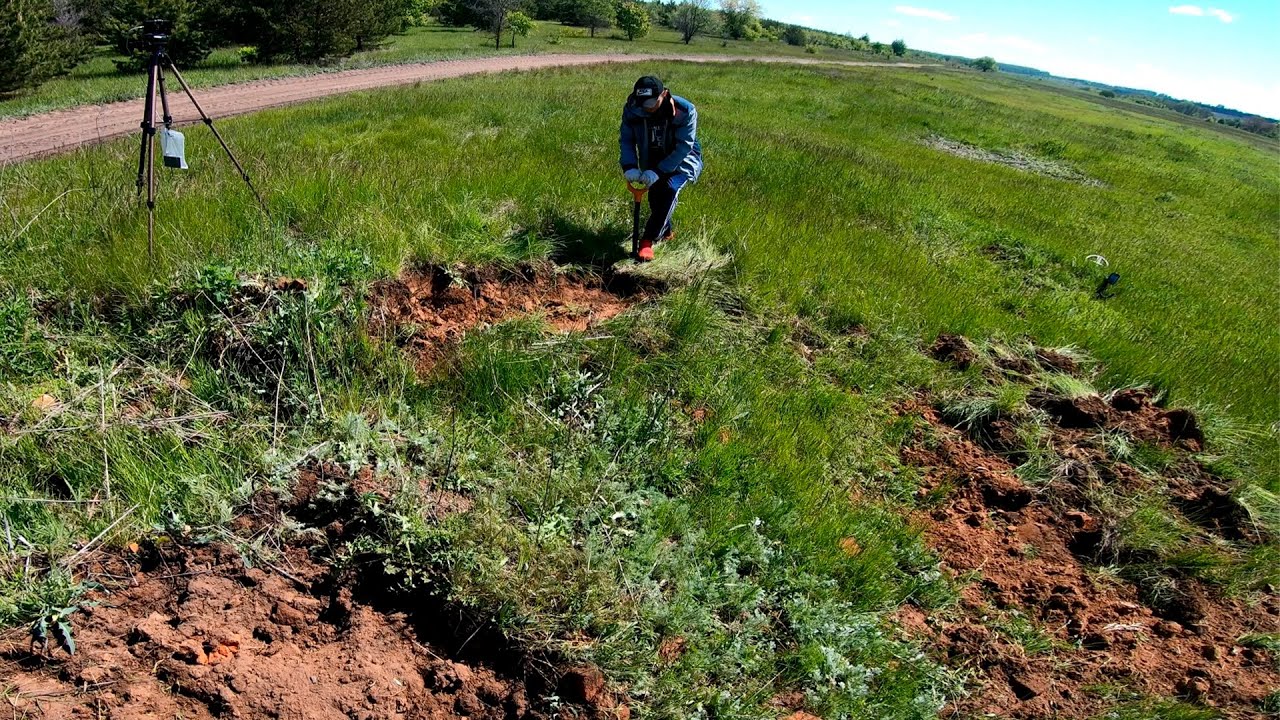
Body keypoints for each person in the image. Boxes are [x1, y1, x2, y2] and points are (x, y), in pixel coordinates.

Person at [619, 76, 703, 262]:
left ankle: (647, 241)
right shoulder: (632, 109)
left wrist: (658, 171)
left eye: (652, 103)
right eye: (643, 104)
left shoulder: (684, 111)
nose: (647, 108)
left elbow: (684, 146)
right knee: (656, 198)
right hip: (652, 158)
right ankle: (667, 232)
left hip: (683, 159)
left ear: (664, 94)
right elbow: (627, 139)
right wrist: (630, 165)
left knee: (670, 189)